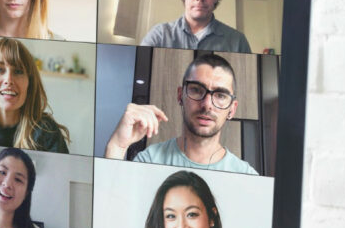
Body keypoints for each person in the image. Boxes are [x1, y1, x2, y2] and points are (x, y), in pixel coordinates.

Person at [103, 53, 258, 175]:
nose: (207, 105)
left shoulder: (246, 176)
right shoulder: (149, 160)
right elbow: (113, 206)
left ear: (232, 109)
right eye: (196, 90)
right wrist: (116, 147)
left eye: (220, 95)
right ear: (180, 95)